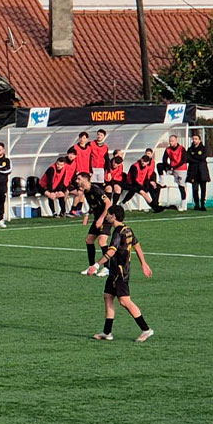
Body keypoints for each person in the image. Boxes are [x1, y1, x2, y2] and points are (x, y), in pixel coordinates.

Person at [85, 205, 155, 342]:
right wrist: (144, 263)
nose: (106, 216)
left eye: (109, 215)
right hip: (116, 271)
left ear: (114, 216)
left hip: (119, 271)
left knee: (124, 301)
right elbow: (137, 245)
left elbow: (112, 251)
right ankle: (107, 332)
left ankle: (146, 329)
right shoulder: (127, 229)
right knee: (108, 296)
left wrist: (96, 265)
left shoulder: (117, 232)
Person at [75, 172, 112, 276]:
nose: (76, 181)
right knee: (89, 240)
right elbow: (94, 205)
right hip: (97, 218)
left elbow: (108, 204)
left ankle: (107, 268)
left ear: (85, 179)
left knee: (102, 241)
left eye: (78, 179)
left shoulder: (96, 190)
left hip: (106, 217)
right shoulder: (86, 191)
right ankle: (92, 267)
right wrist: (87, 215)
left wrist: (101, 219)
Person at [161, 134, 189, 211]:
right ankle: (161, 180)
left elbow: (184, 160)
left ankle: (183, 204)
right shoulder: (168, 149)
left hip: (181, 169)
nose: (170, 142)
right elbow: (164, 159)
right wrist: (168, 167)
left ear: (176, 141)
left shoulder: (181, 149)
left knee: (181, 186)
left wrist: (175, 167)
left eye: (172, 141)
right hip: (172, 169)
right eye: (170, 141)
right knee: (159, 165)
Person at [186, 133, 211, 211]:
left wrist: (194, 157)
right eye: (193, 139)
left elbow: (203, 157)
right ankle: (196, 204)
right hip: (193, 172)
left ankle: (203, 204)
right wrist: (197, 158)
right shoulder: (190, 149)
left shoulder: (204, 148)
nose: (194, 140)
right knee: (195, 189)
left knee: (203, 188)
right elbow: (188, 158)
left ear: (199, 140)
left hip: (202, 171)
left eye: (196, 139)